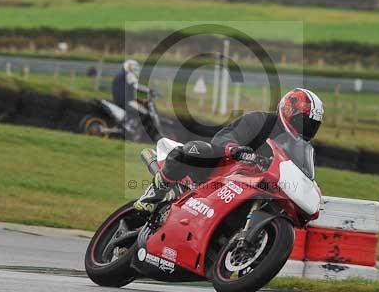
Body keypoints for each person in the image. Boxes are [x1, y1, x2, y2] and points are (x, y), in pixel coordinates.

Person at [134, 88, 324, 212]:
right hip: (220, 173)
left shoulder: (300, 148)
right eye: (304, 122)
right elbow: (223, 137)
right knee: (196, 149)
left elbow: (301, 174)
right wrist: (235, 149)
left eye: (312, 125)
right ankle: (152, 196)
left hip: (255, 188)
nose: (307, 129)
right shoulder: (260, 121)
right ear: (289, 110)